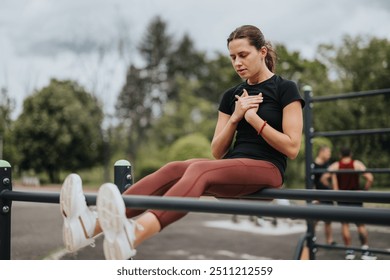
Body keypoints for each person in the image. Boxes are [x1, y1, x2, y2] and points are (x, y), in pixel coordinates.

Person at [60, 25, 305, 260]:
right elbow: (218, 152)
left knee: (198, 168)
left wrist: (253, 119)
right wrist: (236, 117)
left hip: (267, 169)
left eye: (243, 55)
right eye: (232, 57)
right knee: (174, 168)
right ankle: (91, 227)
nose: (237, 63)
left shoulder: (285, 89)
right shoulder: (232, 96)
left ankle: (135, 233)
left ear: (262, 52)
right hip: (233, 168)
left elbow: (292, 148)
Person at [324, 147, 376, 260]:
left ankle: (349, 251)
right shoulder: (356, 164)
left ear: (340, 155)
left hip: (342, 198)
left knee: (345, 224)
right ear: (351, 154)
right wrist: (365, 190)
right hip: (356, 197)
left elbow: (324, 178)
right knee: (360, 225)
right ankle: (365, 251)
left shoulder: (336, 166)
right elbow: (370, 178)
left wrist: (332, 189)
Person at [313, 145, 336, 245]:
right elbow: (311, 183)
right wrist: (314, 198)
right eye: (328, 153)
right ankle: (311, 239)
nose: (329, 155)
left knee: (328, 220)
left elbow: (332, 176)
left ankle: (329, 241)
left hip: (328, 195)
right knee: (314, 220)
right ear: (321, 152)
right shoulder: (313, 165)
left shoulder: (327, 164)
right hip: (318, 196)